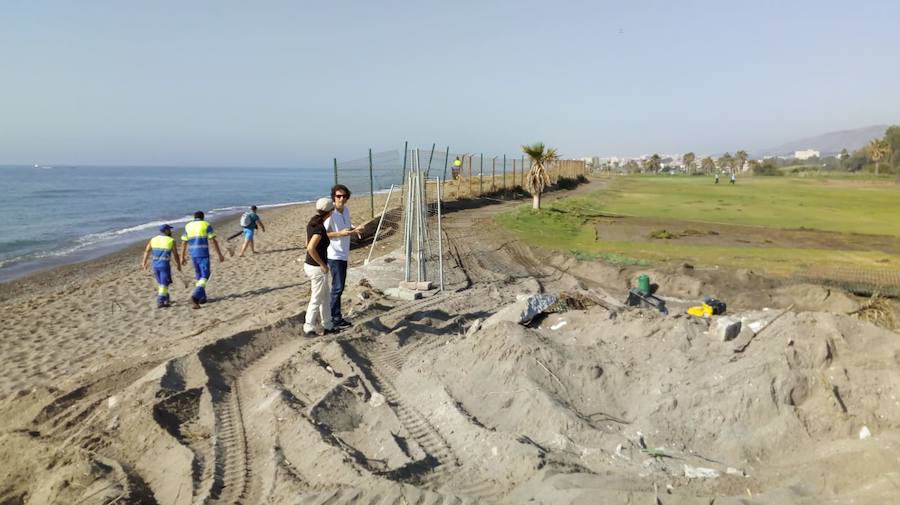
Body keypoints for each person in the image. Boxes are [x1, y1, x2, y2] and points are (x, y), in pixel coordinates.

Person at [325, 184, 362, 329]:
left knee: (338, 287)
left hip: (344, 254)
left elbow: (348, 226)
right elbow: (323, 234)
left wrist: (355, 229)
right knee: (337, 287)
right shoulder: (330, 213)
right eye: (338, 196)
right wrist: (340, 233)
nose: (341, 199)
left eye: (344, 196)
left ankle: (334, 316)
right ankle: (334, 318)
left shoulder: (345, 210)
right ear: (333, 197)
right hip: (334, 255)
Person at [304, 198, 337, 335]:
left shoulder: (312, 222)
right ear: (330, 212)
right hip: (317, 268)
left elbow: (307, 243)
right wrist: (322, 264)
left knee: (325, 298)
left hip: (310, 265)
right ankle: (308, 327)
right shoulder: (319, 228)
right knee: (317, 298)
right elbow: (311, 248)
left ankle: (328, 325)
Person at [180, 211, 226, 309]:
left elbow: (184, 242)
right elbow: (213, 241)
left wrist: (182, 256)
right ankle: (195, 296)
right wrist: (220, 254)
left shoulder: (188, 226)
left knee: (199, 275)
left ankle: (202, 297)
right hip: (203, 253)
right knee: (205, 275)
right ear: (203, 217)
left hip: (193, 254)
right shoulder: (206, 225)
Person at [141, 224, 182, 308]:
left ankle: (166, 299)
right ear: (166, 231)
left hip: (155, 265)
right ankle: (160, 300)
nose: (171, 231)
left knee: (162, 283)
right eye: (169, 230)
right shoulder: (171, 240)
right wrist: (178, 264)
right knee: (164, 284)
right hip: (164, 265)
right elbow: (175, 254)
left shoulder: (154, 239)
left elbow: (147, 251)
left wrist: (144, 262)